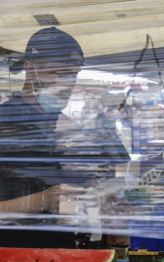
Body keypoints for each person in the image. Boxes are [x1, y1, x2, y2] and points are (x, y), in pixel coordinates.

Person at [0, 27, 129, 248]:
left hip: (60, 256)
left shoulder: (65, 125)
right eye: (58, 73)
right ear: (31, 70)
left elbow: (78, 188)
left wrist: (104, 200)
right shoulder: (5, 123)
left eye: (73, 74)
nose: (68, 83)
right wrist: (41, 201)